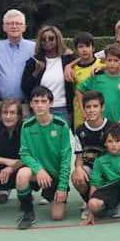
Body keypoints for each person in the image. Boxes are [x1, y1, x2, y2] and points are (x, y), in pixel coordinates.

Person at [14, 85, 75, 229]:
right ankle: (28, 213)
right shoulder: (27, 126)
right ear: (31, 104)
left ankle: (51, 195)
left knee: (57, 216)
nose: (40, 105)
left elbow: (66, 159)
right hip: (38, 173)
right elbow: (24, 154)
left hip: (55, 176)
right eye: (36, 101)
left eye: (43, 101)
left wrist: (62, 187)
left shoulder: (61, 125)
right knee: (22, 174)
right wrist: (39, 170)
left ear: (51, 103)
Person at [70, 91, 113, 218]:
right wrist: (78, 168)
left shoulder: (111, 127)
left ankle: (116, 202)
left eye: (95, 106)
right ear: (83, 109)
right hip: (91, 169)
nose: (91, 110)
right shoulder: (80, 130)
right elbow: (78, 157)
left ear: (102, 107)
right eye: (88, 107)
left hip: (109, 170)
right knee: (76, 176)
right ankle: (88, 201)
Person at [21, 25, 75, 122]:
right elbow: (25, 87)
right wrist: (36, 72)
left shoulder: (68, 59)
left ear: (57, 39)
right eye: (43, 39)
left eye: (51, 38)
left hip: (63, 109)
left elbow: (89, 57)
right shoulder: (34, 61)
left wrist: (70, 65)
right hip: (40, 109)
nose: (47, 41)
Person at [77, 45, 120, 128]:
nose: (112, 63)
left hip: (115, 124)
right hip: (95, 123)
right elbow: (79, 90)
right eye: (109, 60)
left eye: (116, 60)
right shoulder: (97, 76)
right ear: (105, 61)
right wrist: (83, 111)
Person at [0, 9, 35, 114]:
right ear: (4, 27)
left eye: (18, 23)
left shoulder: (34, 48)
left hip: (26, 106)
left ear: (24, 27)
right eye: (10, 23)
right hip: (1, 106)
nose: (14, 26)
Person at [70, 32, 104, 128]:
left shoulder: (101, 65)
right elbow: (74, 91)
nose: (84, 50)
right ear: (76, 50)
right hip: (80, 113)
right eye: (81, 47)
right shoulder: (73, 69)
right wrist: (82, 111)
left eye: (87, 46)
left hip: (99, 112)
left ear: (93, 48)